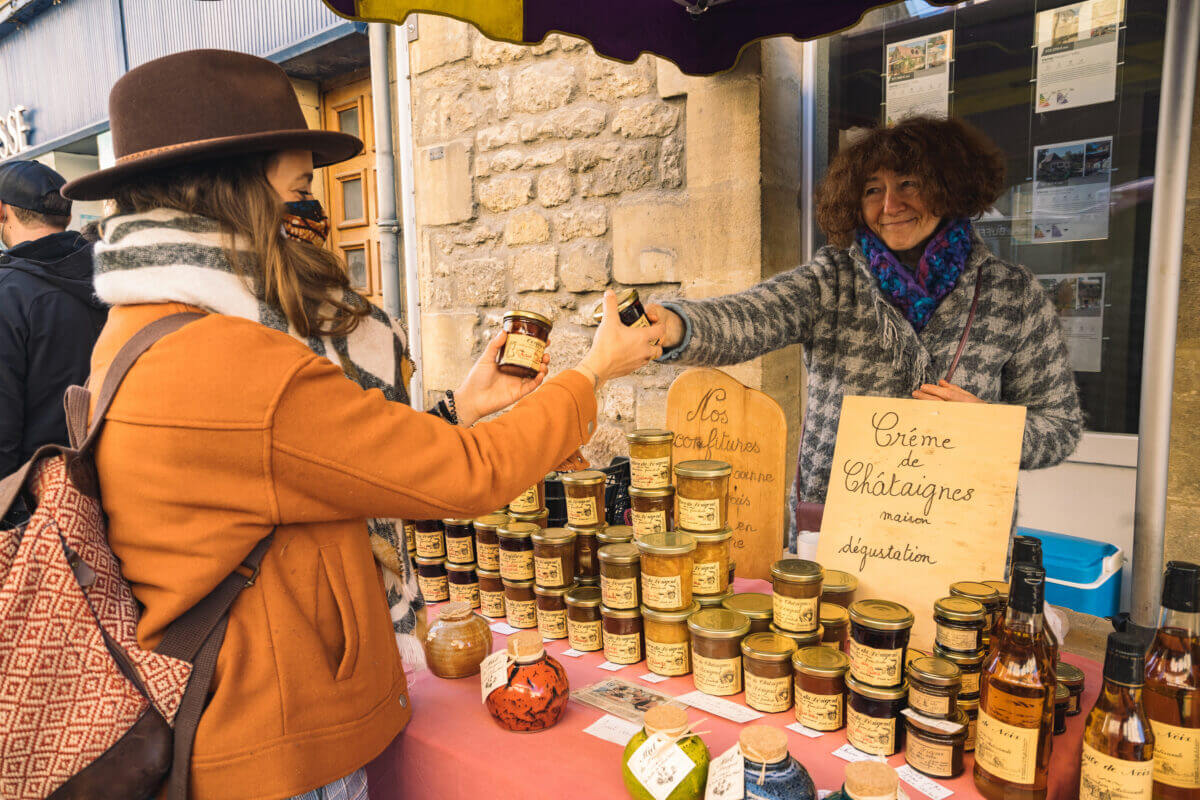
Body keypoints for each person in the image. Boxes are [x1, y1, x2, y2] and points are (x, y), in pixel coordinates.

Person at [61, 49, 663, 800]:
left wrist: (460, 409)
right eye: (291, 194)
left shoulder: (139, 325)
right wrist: (593, 372)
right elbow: (467, 475)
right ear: (238, 189)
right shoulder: (235, 362)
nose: (297, 222)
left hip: (222, 717)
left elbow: (304, 467)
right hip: (277, 742)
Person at [644, 116, 1082, 549]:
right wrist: (675, 325)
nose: (890, 206)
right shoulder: (832, 281)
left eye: (909, 184)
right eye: (873, 190)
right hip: (841, 532)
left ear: (949, 187)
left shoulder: (1012, 293)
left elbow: (1059, 426)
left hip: (959, 538)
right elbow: (748, 316)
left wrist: (989, 429)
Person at [0, 160, 107, 479]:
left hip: (37, 500)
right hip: (113, 483)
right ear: (68, 215)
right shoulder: (113, 275)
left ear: (2, 212)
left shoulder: (8, 293)